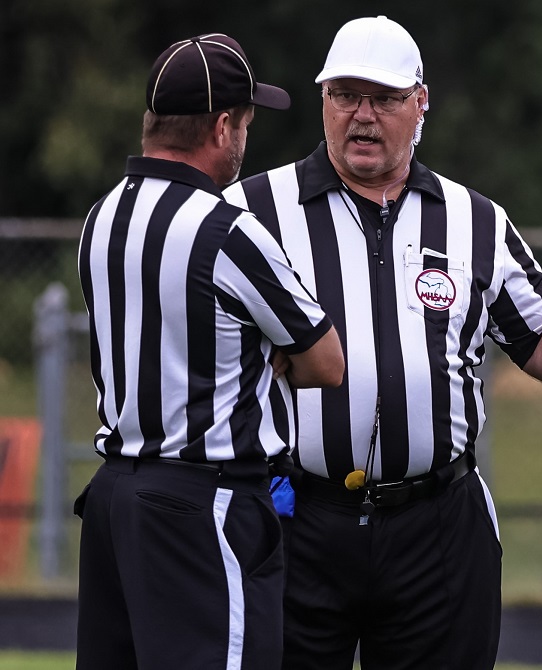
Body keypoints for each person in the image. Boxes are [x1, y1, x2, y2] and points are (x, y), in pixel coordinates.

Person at [224, 15, 542, 670]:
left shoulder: (473, 220)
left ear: (421, 102)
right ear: (322, 99)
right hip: (300, 519)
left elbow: (541, 325)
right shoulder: (254, 211)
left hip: (436, 522)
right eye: (346, 95)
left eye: (384, 98)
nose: (362, 115)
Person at [75, 33, 345, 670]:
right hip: (201, 503)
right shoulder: (227, 229)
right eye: (247, 123)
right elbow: (326, 361)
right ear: (222, 126)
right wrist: (265, 354)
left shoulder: (103, 217)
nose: (245, 139)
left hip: (116, 497)